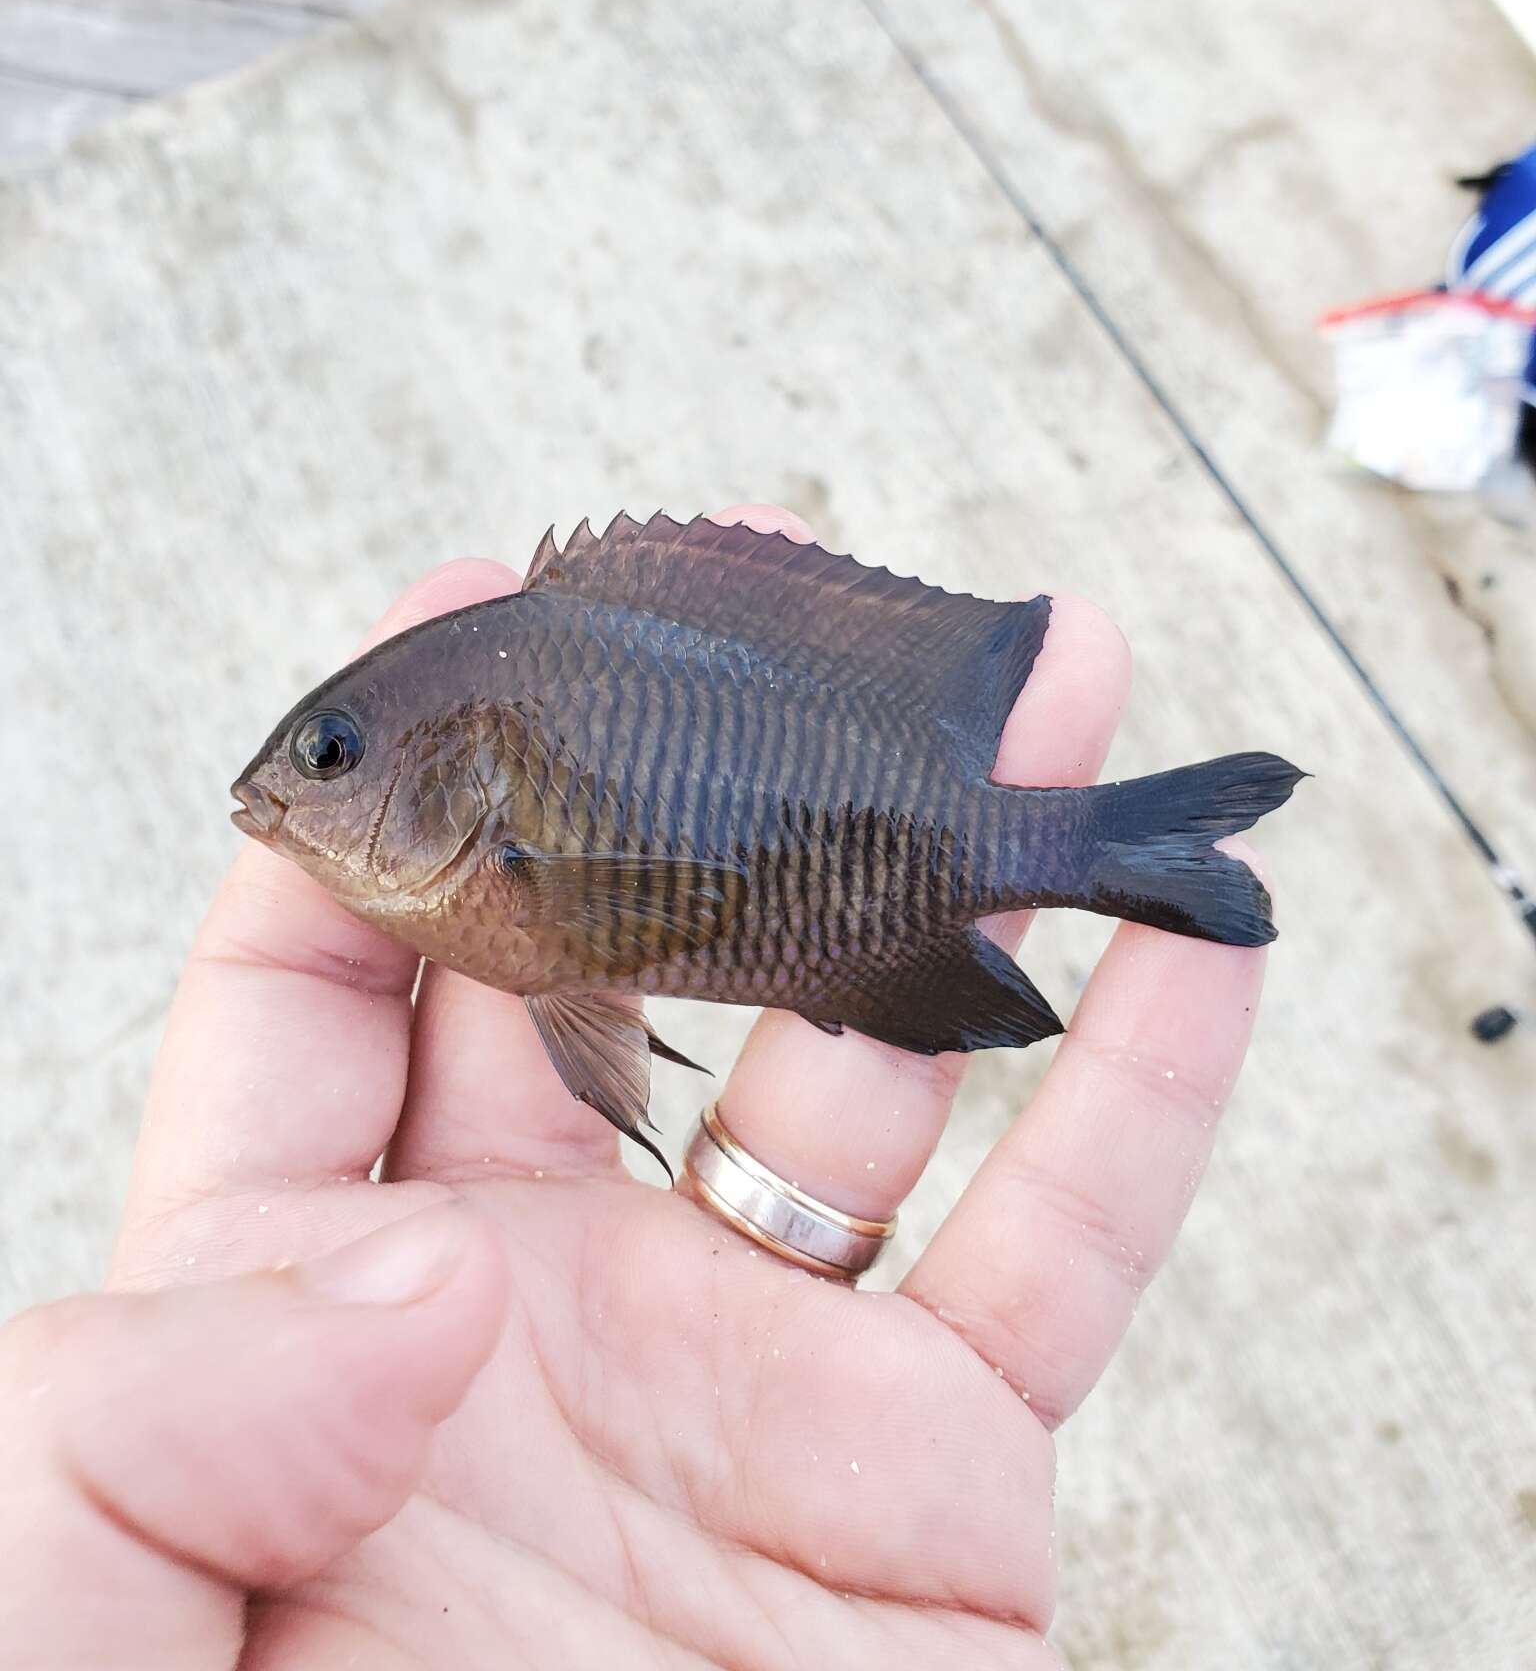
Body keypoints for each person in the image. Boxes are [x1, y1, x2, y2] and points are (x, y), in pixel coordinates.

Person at [0, 507, 1268, 1669]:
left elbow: (592, 935)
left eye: (329, 753)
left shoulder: (511, 808)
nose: (286, 787)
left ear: (462, 769)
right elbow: (587, 956)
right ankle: (1129, 845)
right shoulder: (500, 812)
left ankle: (1114, 842)